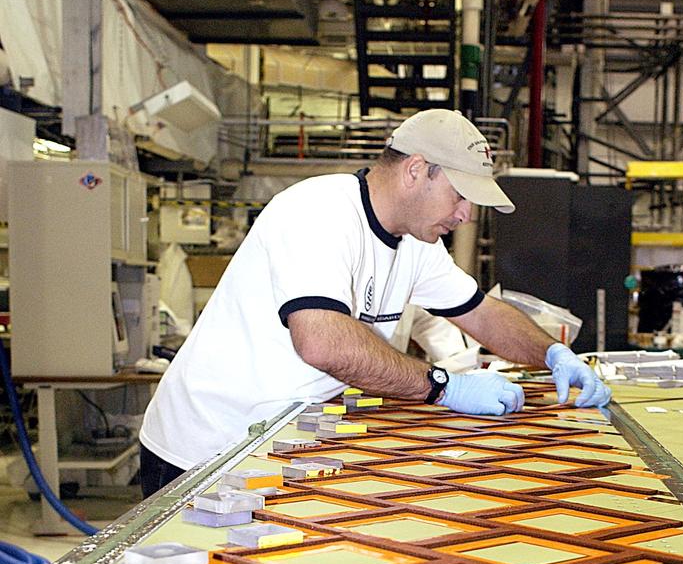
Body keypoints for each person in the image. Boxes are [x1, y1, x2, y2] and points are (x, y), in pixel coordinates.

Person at [139, 109, 611, 495]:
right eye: (460, 195)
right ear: (415, 170)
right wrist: (443, 385)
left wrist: (552, 354)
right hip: (205, 449)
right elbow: (323, 343)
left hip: (283, 440)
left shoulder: (417, 244)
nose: (466, 214)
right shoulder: (318, 213)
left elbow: (482, 313)